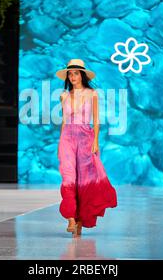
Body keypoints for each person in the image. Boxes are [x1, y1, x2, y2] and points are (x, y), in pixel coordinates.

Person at [56, 58, 117, 237]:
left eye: (76, 73)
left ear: (81, 75)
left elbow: (96, 120)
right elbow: (64, 121)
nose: (73, 76)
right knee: (68, 178)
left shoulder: (92, 94)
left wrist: (96, 140)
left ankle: (80, 222)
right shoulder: (63, 96)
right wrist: (60, 141)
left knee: (84, 180)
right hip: (67, 138)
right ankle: (70, 219)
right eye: (70, 73)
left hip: (85, 138)